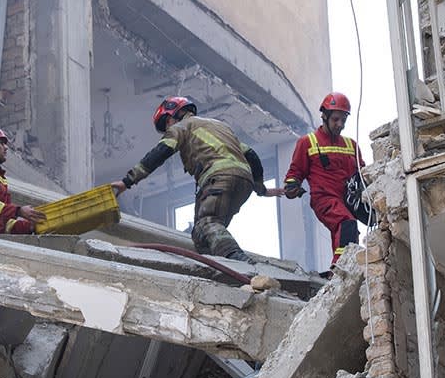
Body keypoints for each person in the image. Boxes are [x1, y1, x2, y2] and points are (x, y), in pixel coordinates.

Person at [111, 96, 279, 262]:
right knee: (202, 237)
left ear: (174, 115)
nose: (168, 128)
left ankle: (241, 261)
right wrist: (260, 188)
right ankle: (222, 269)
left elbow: (160, 152)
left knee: (207, 222)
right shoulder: (220, 126)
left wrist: (127, 181)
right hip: (244, 183)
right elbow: (252, 155)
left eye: (167, 123)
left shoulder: (182, 127)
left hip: (218, 178)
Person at [283, 91, 366, 267]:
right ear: (325, 116)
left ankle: (342, 270)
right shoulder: (308, 142)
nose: (340, 124)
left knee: (349, 233)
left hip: (348, 200)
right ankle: (341, 269)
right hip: (324, 198)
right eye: (336, 119)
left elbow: (363, 173)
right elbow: (295, 171)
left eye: (343, 120)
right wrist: (292, 185)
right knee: (346, 223)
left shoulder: (351, 145)